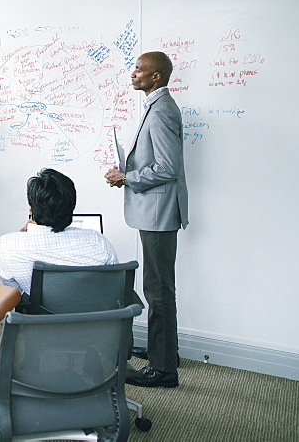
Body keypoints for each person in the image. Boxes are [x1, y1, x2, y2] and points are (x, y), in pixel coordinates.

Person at [105, 50, 188, 389]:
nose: (133, 74)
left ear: (157, 77)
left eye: (139, 70)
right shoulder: (156, 106)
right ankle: (163, 351)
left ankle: (164, 369)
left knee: (158, 290)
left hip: (158, 212)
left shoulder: (162, 110)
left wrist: (127, 177)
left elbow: (167, 168)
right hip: (154, 210)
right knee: (157, 287)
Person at [0, 168, 118, 295]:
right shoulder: (98, 242)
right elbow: (112, 287)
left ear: (31, 209)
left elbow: (16, 294)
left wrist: (19, 239)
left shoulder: (7, 246)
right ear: (71, 207)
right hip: (95, 314)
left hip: (40, 315)